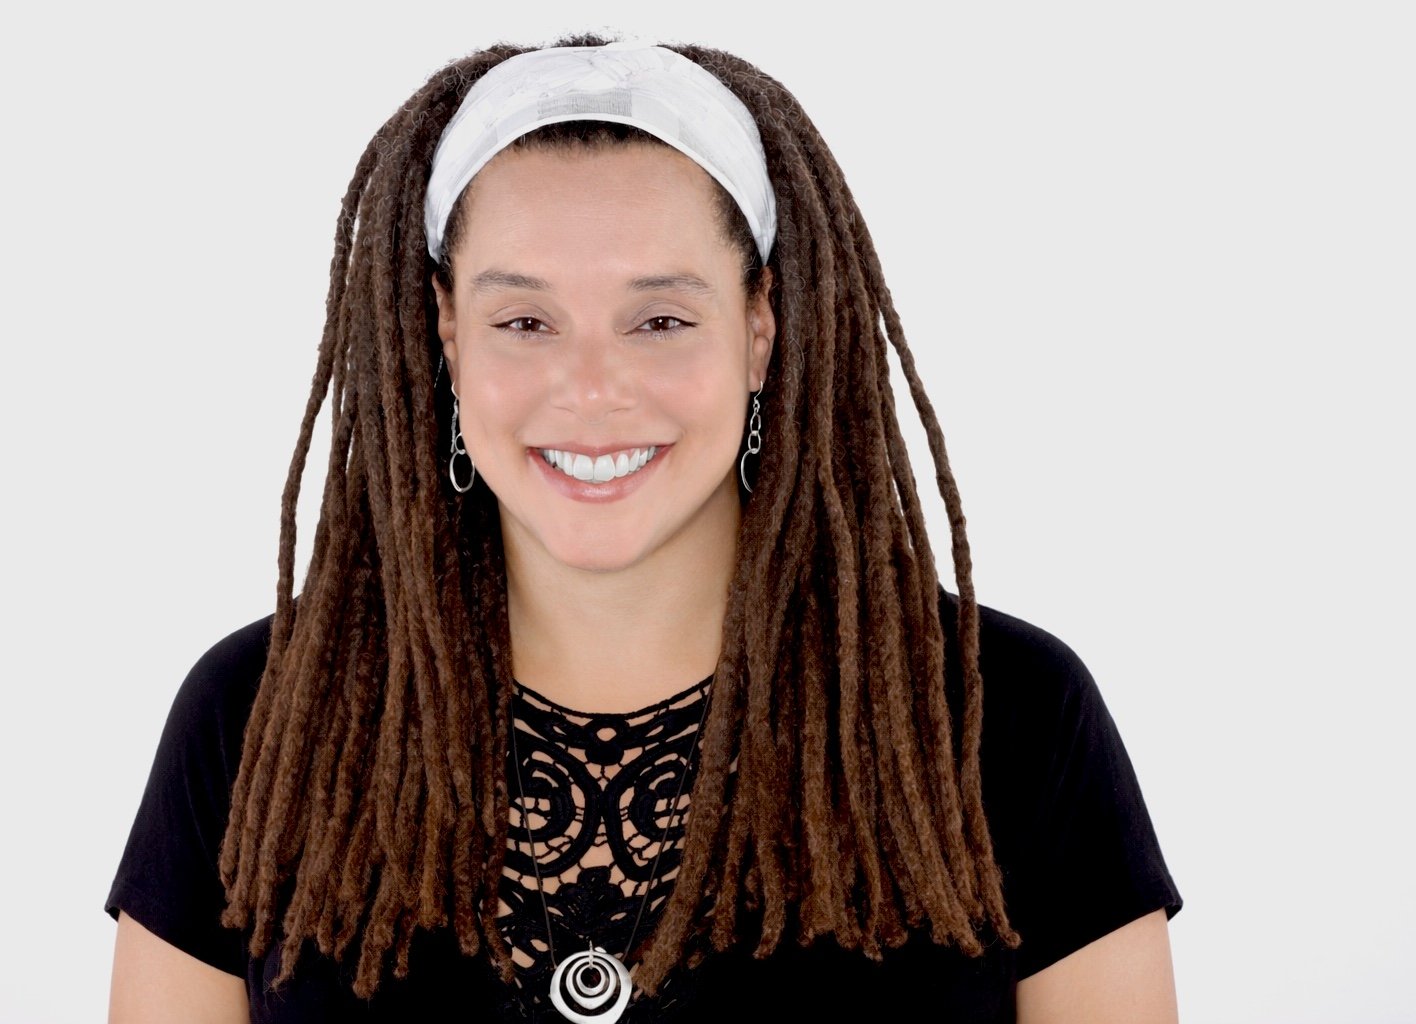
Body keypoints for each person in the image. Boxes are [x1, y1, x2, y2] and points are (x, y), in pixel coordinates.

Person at [105, 32, 1182, 1023]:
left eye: (660, 319)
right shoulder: (257, 719)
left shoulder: (1009, 716)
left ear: (761, 326)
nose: (591, 388)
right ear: (442, 332)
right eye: (524, 321)